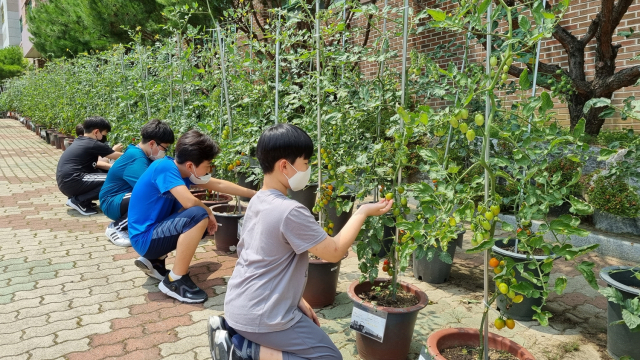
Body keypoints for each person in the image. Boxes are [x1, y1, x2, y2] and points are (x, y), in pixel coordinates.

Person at [208, 124, 393, 360]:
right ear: (284, 165)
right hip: (263, 315)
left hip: (240, 304)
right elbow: (334, 252)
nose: (308, 170)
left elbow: (259, 257)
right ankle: (243, 351)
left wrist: (297, 299)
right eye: (305, 164)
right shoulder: (290, 211)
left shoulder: (257, 201)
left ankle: (236, 336)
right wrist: (362, 212)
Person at [127, 130, 257, 303]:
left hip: (151, 234)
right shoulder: (164, 168)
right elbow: (189, 202)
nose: (210, 169)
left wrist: (255, 194)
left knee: (197, 219)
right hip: (144, 238)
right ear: (190, 165)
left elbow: (218, 183)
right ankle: (175, 280)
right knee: (198, 215)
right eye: (208, 164)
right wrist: (209, 212)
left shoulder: (183, 171)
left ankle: (156, 262)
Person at [99, 119, 175, 247]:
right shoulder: (137, 158)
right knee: (154, 195)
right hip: (112, 201)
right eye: (164, 148)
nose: (164, 153)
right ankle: (117, 228)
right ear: (152, 143)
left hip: (120, 198)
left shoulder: (141, 154)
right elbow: (148, 189)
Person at [56, 116, 123, 216]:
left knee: (107, 174)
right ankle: (78, 201)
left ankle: (84, 200)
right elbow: (121, 156)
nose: (104, 138)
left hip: (67, 182)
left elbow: (98, 164)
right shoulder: (92, 144)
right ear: (96, 132)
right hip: (73, 180)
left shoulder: (81, 140)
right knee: (114, 179)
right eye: (103, 134)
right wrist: (141, 153)